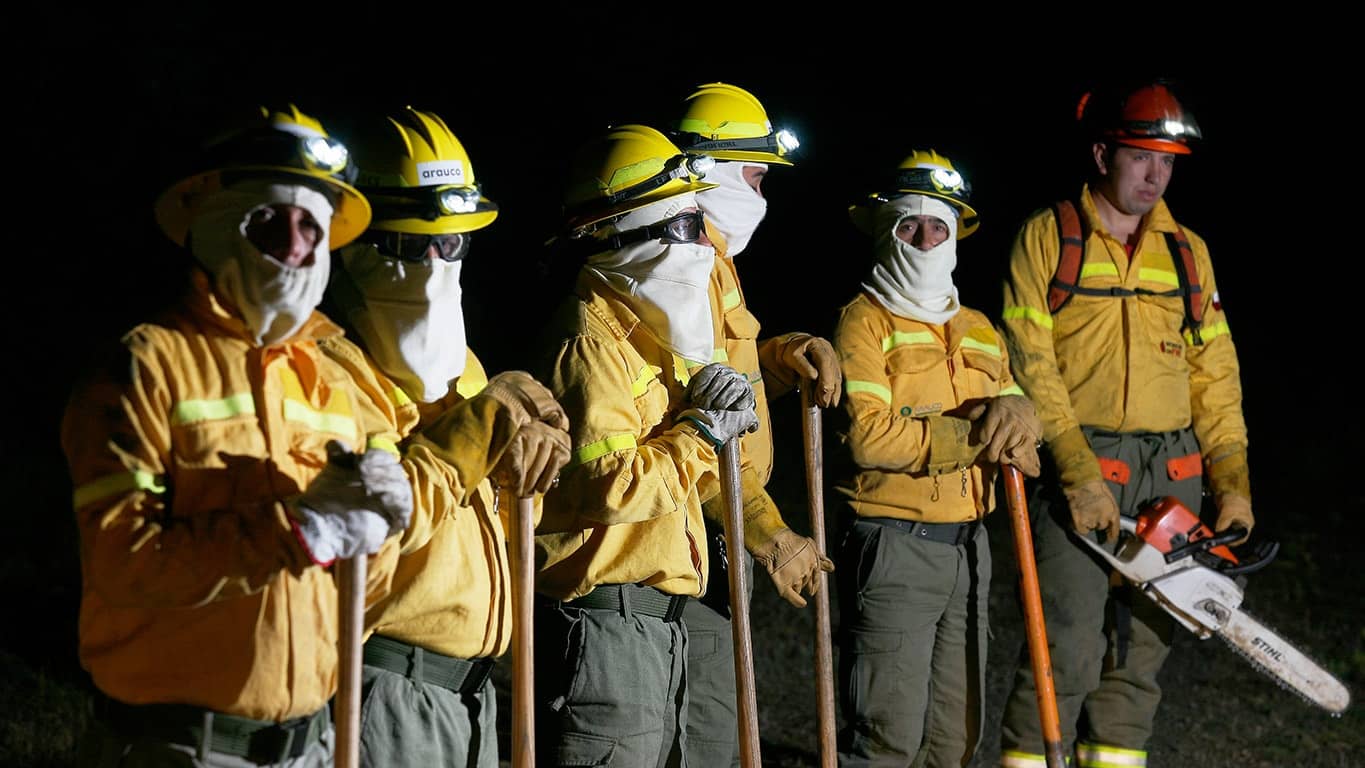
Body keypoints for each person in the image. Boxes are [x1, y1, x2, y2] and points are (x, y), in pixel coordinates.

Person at [60, 105, 413, 766]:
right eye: (270, 222)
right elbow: (122, 562)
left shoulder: (329, 380)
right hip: (181, 748)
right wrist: (302, 530)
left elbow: (355, 591)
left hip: (311, 745)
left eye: (312, 226)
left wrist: (381, 527)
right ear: (213, 225)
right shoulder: (146, 364)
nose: (296, 246)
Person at [996, 79, 1253, 768]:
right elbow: (1030, 362)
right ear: (1102, 153)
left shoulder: (1187, 252)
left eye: (1166, 162)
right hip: (1080, 464)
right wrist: (1077, 472)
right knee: (1065, 647)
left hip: (1174, 472)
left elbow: (1215, 375)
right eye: (1141, 157)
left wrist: (1232, 483)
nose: (1154, 176)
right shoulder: (1049, 237)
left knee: (1143, 653)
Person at [321, 106, 572, 768]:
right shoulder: (332, 372)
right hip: (385, 681)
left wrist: (529, 469)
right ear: (353, 243)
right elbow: (371, 534)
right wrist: (479, 427)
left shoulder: (465, 368)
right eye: (412, 245)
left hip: (473, 692)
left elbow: (496, 519)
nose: (435, 262)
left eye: (452, 244)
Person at [531, 123, 758, 767]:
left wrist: (717, 420)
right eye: (686, 226)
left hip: (655, 620)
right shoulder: (590, 343)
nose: (703, 245)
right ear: (628, 238)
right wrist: (700, 431)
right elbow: (613, 487)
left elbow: (686, 482)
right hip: (607, 622)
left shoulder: (648, 336)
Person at [832, 148, 1043, 767]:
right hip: (895, 545)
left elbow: (1020, 427)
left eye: (938, 227)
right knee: (887, 737)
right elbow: (870, 438)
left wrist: (1024, 414)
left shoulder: (979, 328)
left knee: (955, 740)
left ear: (955, 236)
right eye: (909, 225)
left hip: (969, 551)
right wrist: (978, 433)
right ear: (884, 232)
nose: (925, 240)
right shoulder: (863, 323)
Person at [667, 81, 837, 766]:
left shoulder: (717, 262)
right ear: (706, 168)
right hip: (688, 525)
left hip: (719, 528)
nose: (762, 194)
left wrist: (782, 355)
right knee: (702, 731)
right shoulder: (677, 266)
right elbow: (694, 419)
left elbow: (725, 371)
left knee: (717, 725)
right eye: (754, 174)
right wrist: (769, 533)